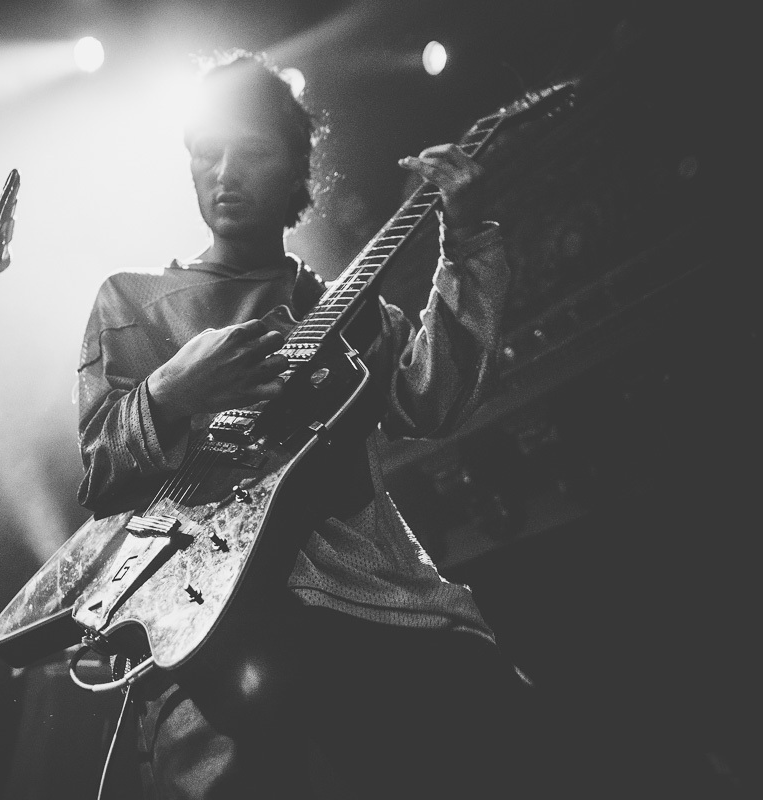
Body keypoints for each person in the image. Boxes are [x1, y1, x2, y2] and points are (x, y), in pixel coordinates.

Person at [74, 51, 538, 799]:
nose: (224, 174)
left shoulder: (348, 311)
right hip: (212, 616)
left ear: (298, 171)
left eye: (252, 152)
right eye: (206, 154)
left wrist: (468, 239)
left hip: (381, 597)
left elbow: (436, 401)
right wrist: (171, 389)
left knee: (510, 735)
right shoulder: (133, 300)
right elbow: (99, 472)